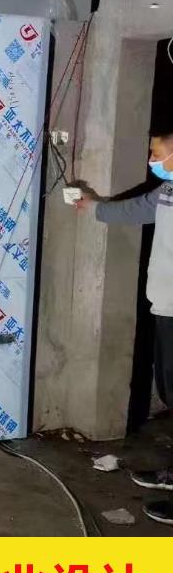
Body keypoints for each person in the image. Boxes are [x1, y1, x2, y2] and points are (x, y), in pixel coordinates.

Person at [76, 130, 173, 526]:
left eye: (156, 152)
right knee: (169, 390)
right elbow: (138, 209)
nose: (151, 160)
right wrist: (92, 207)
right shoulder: (168, 190)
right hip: (165, 304)